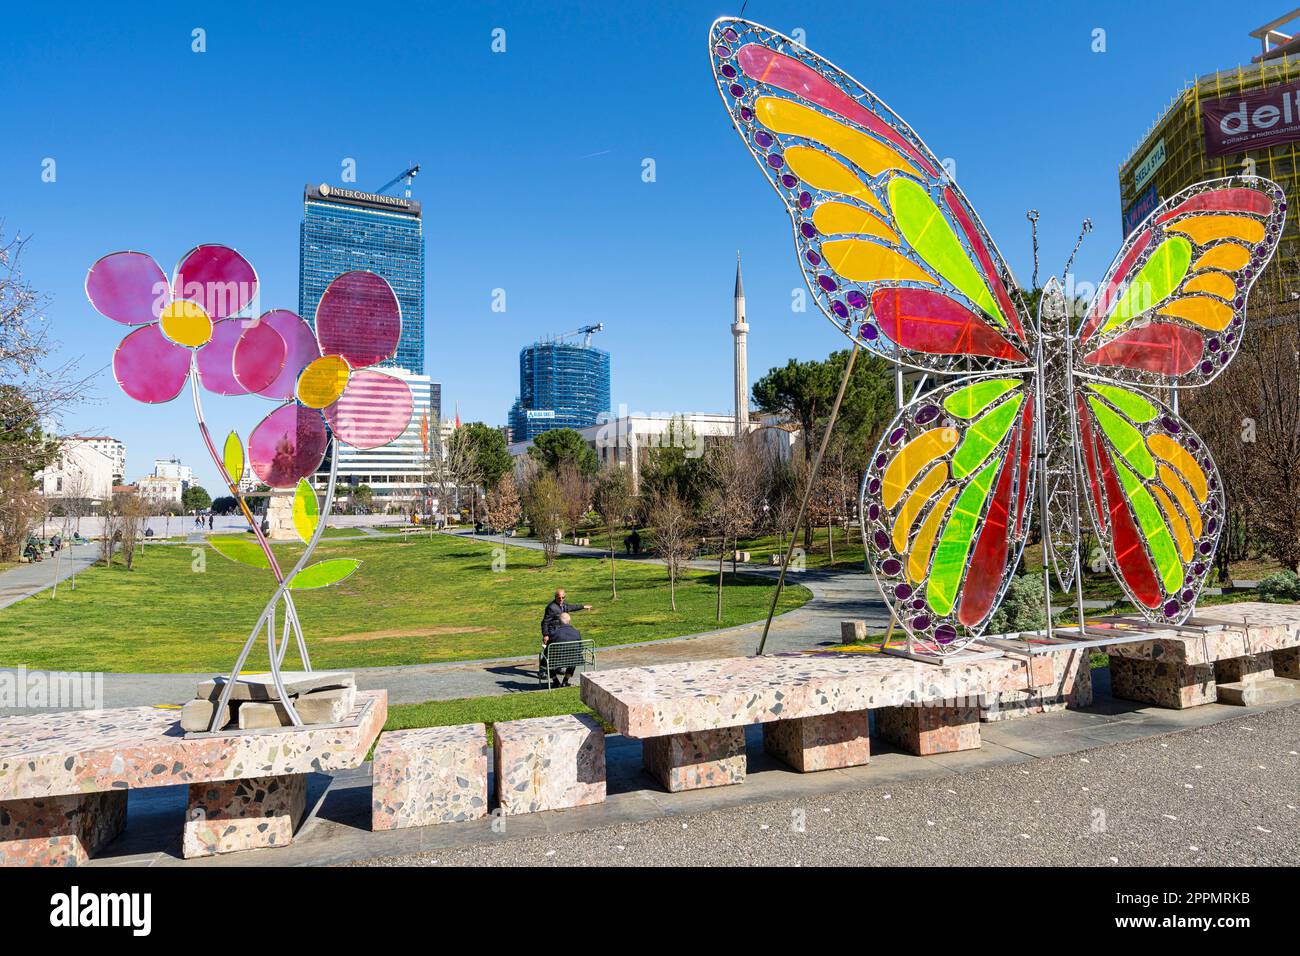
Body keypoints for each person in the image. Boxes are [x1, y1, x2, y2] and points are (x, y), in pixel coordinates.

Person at [544, 612, 582, 687]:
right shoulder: (576, 632)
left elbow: (549, 648)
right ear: (569, 621)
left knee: (546, 659)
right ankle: (565, 681)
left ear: (559, 622)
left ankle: (555, 681)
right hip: (573, 659)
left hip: (557, 660)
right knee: (574, 658)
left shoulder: (555, 633)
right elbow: (580, 648)